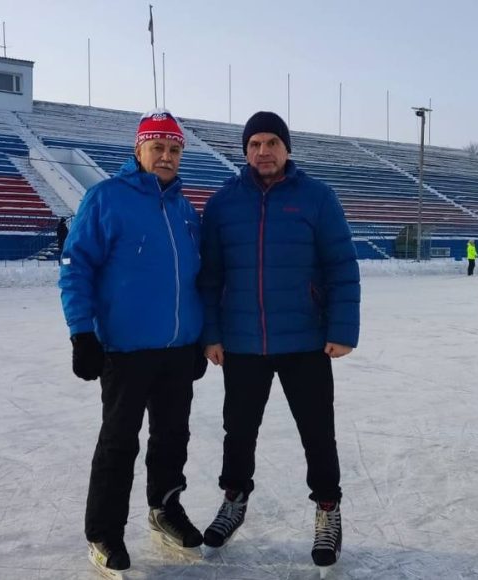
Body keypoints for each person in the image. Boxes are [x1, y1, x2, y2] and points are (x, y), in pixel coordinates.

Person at [198, 111, 360, 569]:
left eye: (271, 142)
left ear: (287, 148)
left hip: (306, 340)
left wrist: (342, 330)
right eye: (254, 144)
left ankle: (327, 509)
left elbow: (341, 267)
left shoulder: (317, 198)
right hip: (242, 341)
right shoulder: (223, 203)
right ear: (245, 150)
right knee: (239, 431)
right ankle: (234, 500)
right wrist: (211, 333)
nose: (263, 151)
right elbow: (209, 276)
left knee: (317, 432)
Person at [58, 108, 207, 577]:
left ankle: (164, 509)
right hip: (124, 350)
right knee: (119, 443)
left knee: (172, 438)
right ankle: (104, 532)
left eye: (174, 149)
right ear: (138, 150)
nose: (166, 156)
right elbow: (75, 266)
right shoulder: (106, 198)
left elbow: (195, 277)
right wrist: (82, 332)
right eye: (157, 147)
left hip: (178, 350)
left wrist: (199, 337)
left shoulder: (185, 207)